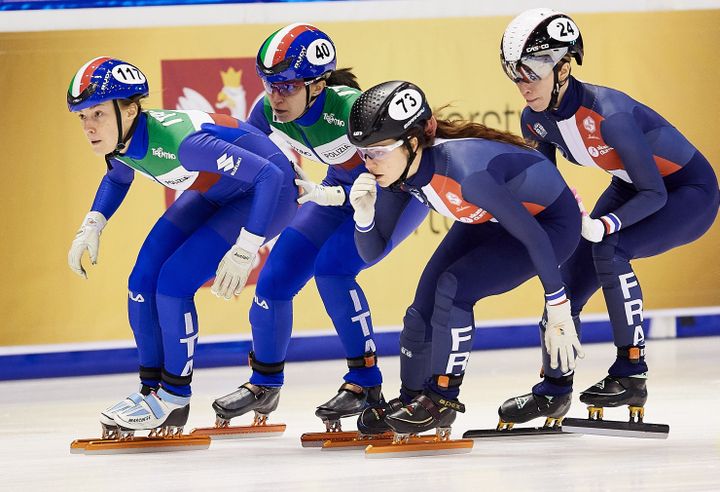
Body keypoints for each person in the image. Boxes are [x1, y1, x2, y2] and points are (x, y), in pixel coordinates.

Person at [499, 8, 719, 425]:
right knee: (564, 285)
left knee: (611, 248)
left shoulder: (610, 114)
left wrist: (604, 225)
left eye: (530, 72)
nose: (522, 84)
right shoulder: (535, 120)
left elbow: (655, 192)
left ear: (563, 68)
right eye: (513, 72)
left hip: (687, 193)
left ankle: (631, 372)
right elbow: (547, 190)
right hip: (631, 185)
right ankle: (554, 388)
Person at [210, 23, 428, 433]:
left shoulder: (351, 109)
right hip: (333, 192)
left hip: (391, 196)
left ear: (318, 84)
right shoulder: (265, 110)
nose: (276, 96)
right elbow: (250, 170)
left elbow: (401, 164)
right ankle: (265, 383)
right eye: (269, 83)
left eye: (288, 86)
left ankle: (365, 384)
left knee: (332, 270)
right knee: (274, 280)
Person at [66, 56, 298, 437]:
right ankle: (151, 390)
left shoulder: (183, 144)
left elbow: (271, 176)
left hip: (268, 195)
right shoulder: (123, 139)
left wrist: (246, 248)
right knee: (142, 281)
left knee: (174, 282)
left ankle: (174, 397)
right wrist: (92, 224)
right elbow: (119, 177)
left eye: (97, 115)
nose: (89, 127)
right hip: (215, 190)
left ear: (130, 110)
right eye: (82, 118)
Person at [347, 80, 583, 437]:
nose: (368, 162)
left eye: (377, 151)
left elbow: (533, 236)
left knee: (454, 287)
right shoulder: (399, 176)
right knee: (420, 308)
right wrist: (363, 217)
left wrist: (559, 307)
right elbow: (374, 251)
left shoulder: (466, 174)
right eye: (362, 152)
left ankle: (441, 399)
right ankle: (413, 398)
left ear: (412, 143)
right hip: (491, 218)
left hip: (548, 225)